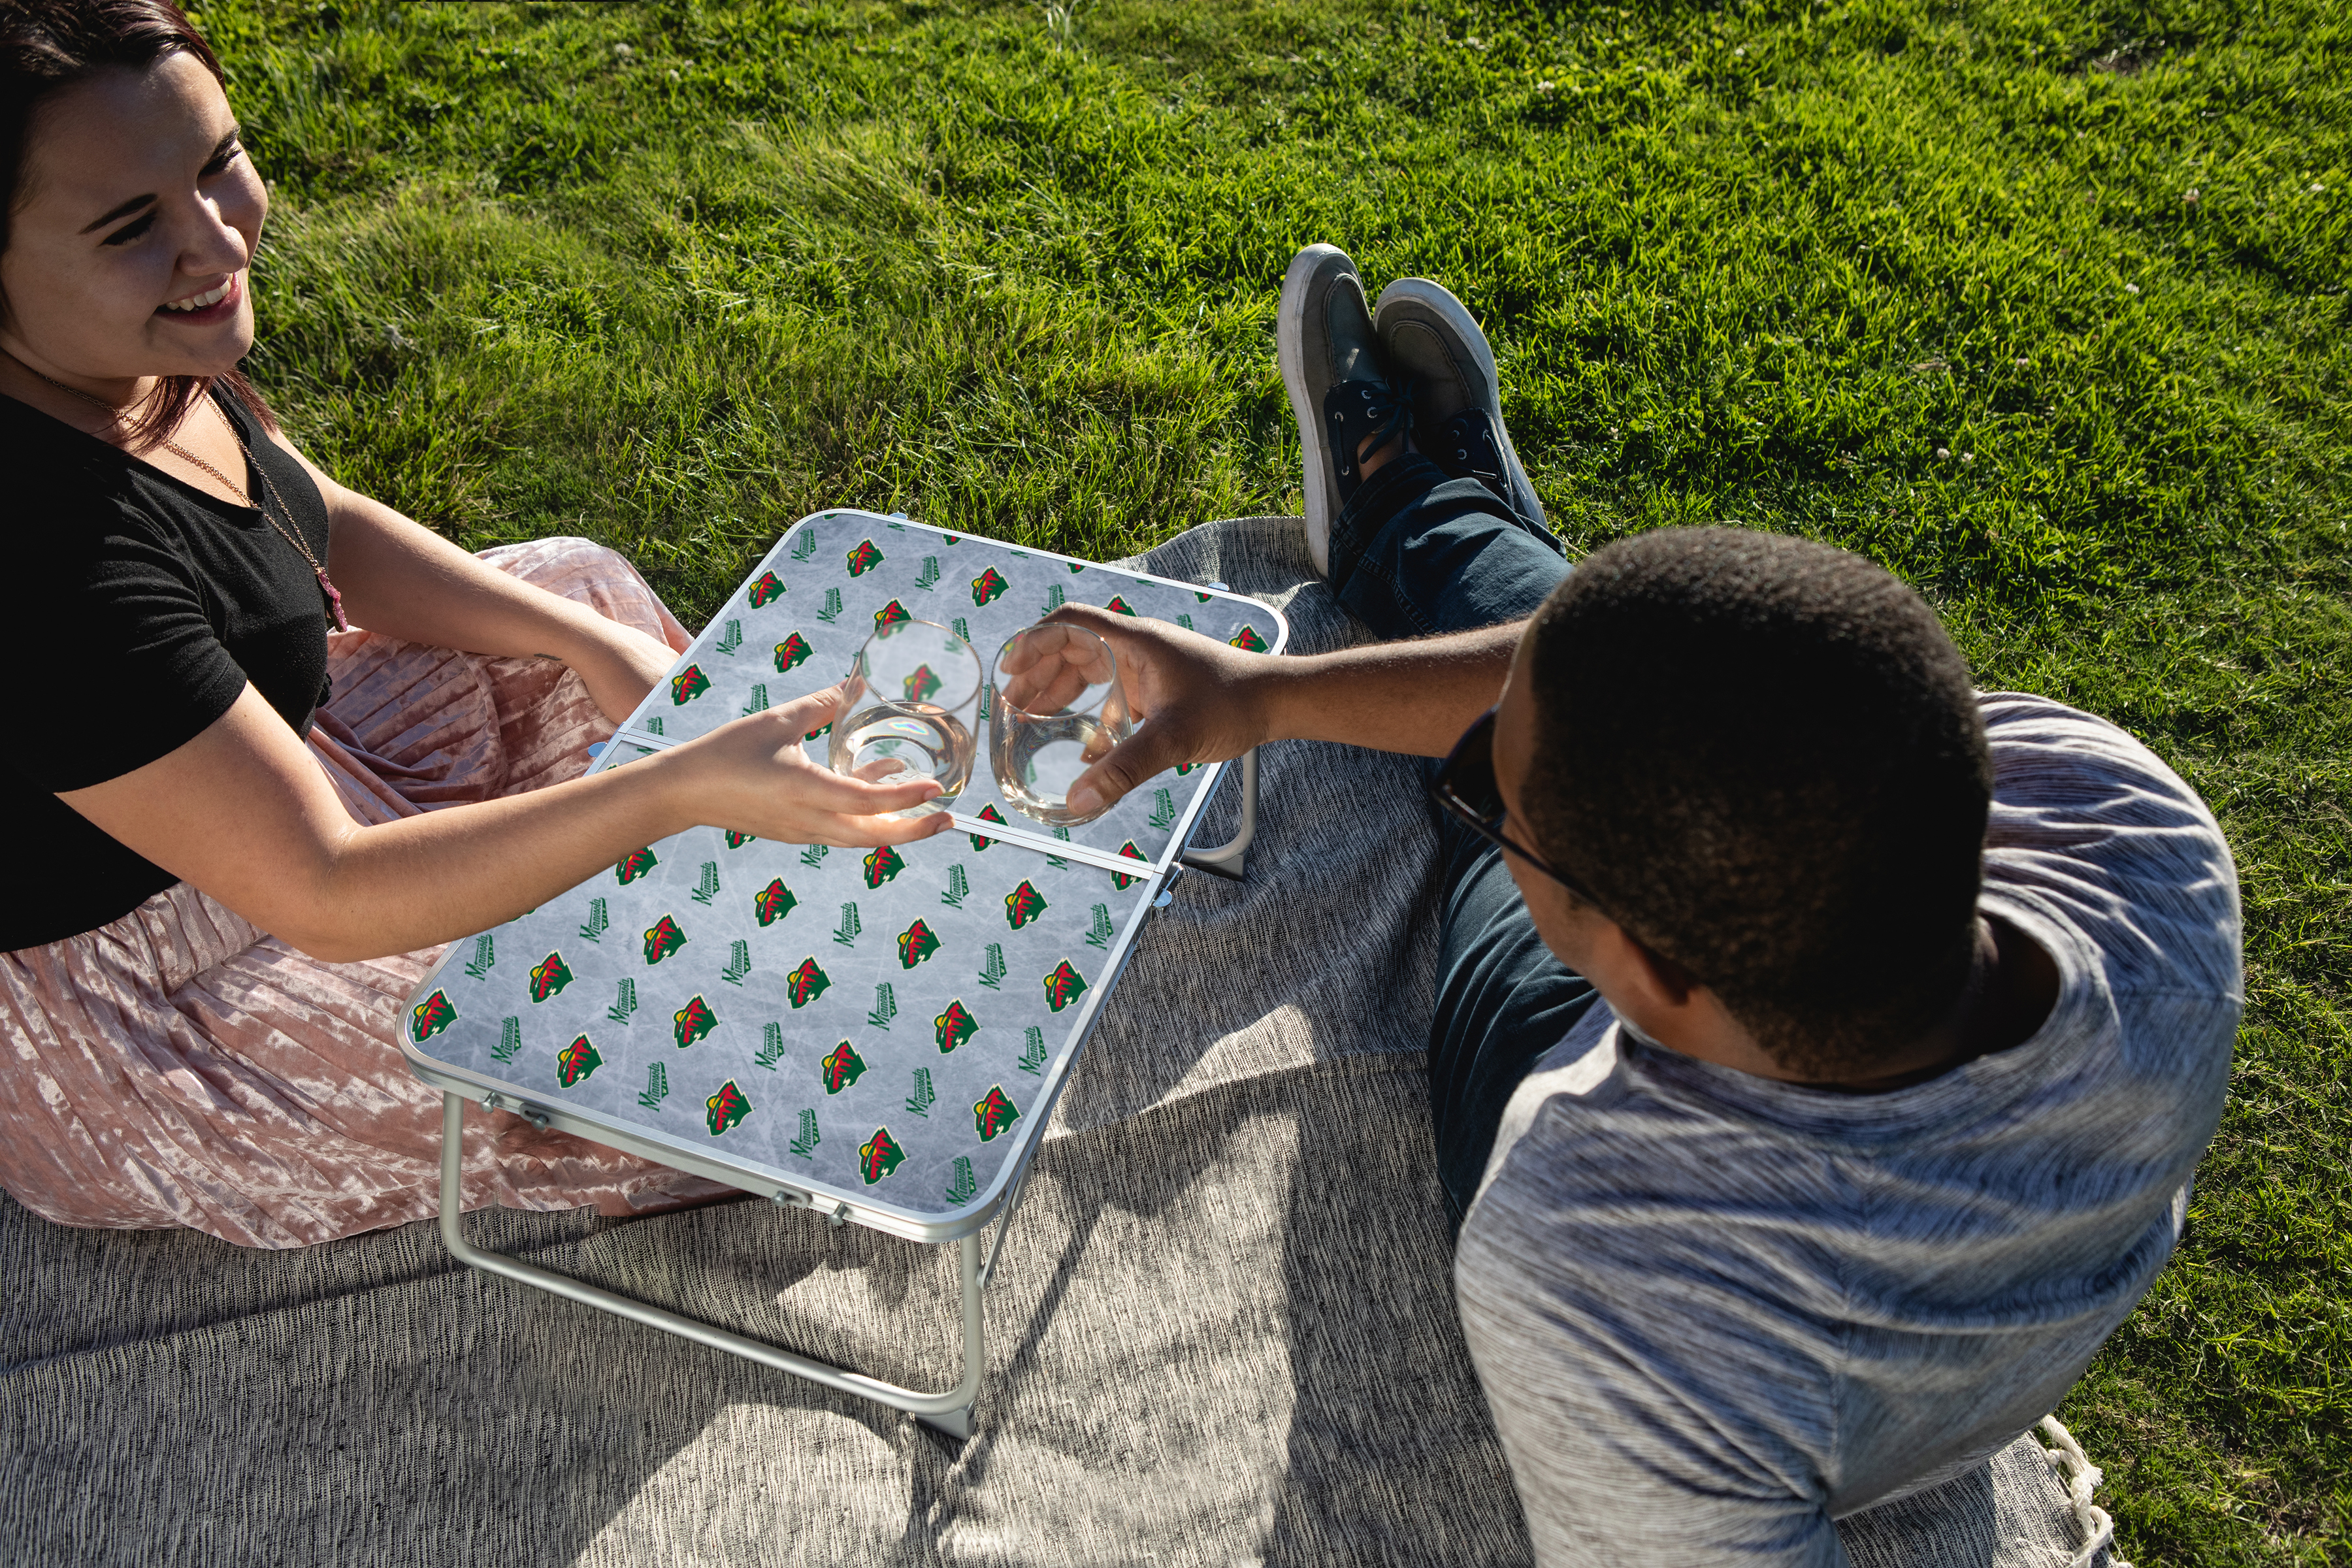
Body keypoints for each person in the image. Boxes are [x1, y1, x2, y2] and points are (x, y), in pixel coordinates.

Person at [1047, 243, 2239, 1564]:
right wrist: (1260, 696)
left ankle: (1428, 519)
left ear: (1645, 971)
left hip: (1572, 1073)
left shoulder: (1602, 1261)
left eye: (1496, 809)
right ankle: (1444, 525)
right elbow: (1716, 696)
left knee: (1536, 769)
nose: (1480, 806)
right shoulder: (2134, 827)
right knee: (1622, 671)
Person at [0, 0, 952, 1248]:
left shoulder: (123, 355)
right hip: (163, 1001)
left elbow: (313, 521)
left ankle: (746, 848)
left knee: (574, 589)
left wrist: (587, 646)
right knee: (692, 1050)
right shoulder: (42, 553)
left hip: (281, 775)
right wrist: (668, 792)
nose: (217, 237)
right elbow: (328, 891)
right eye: (133, 226)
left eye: (218, 161)